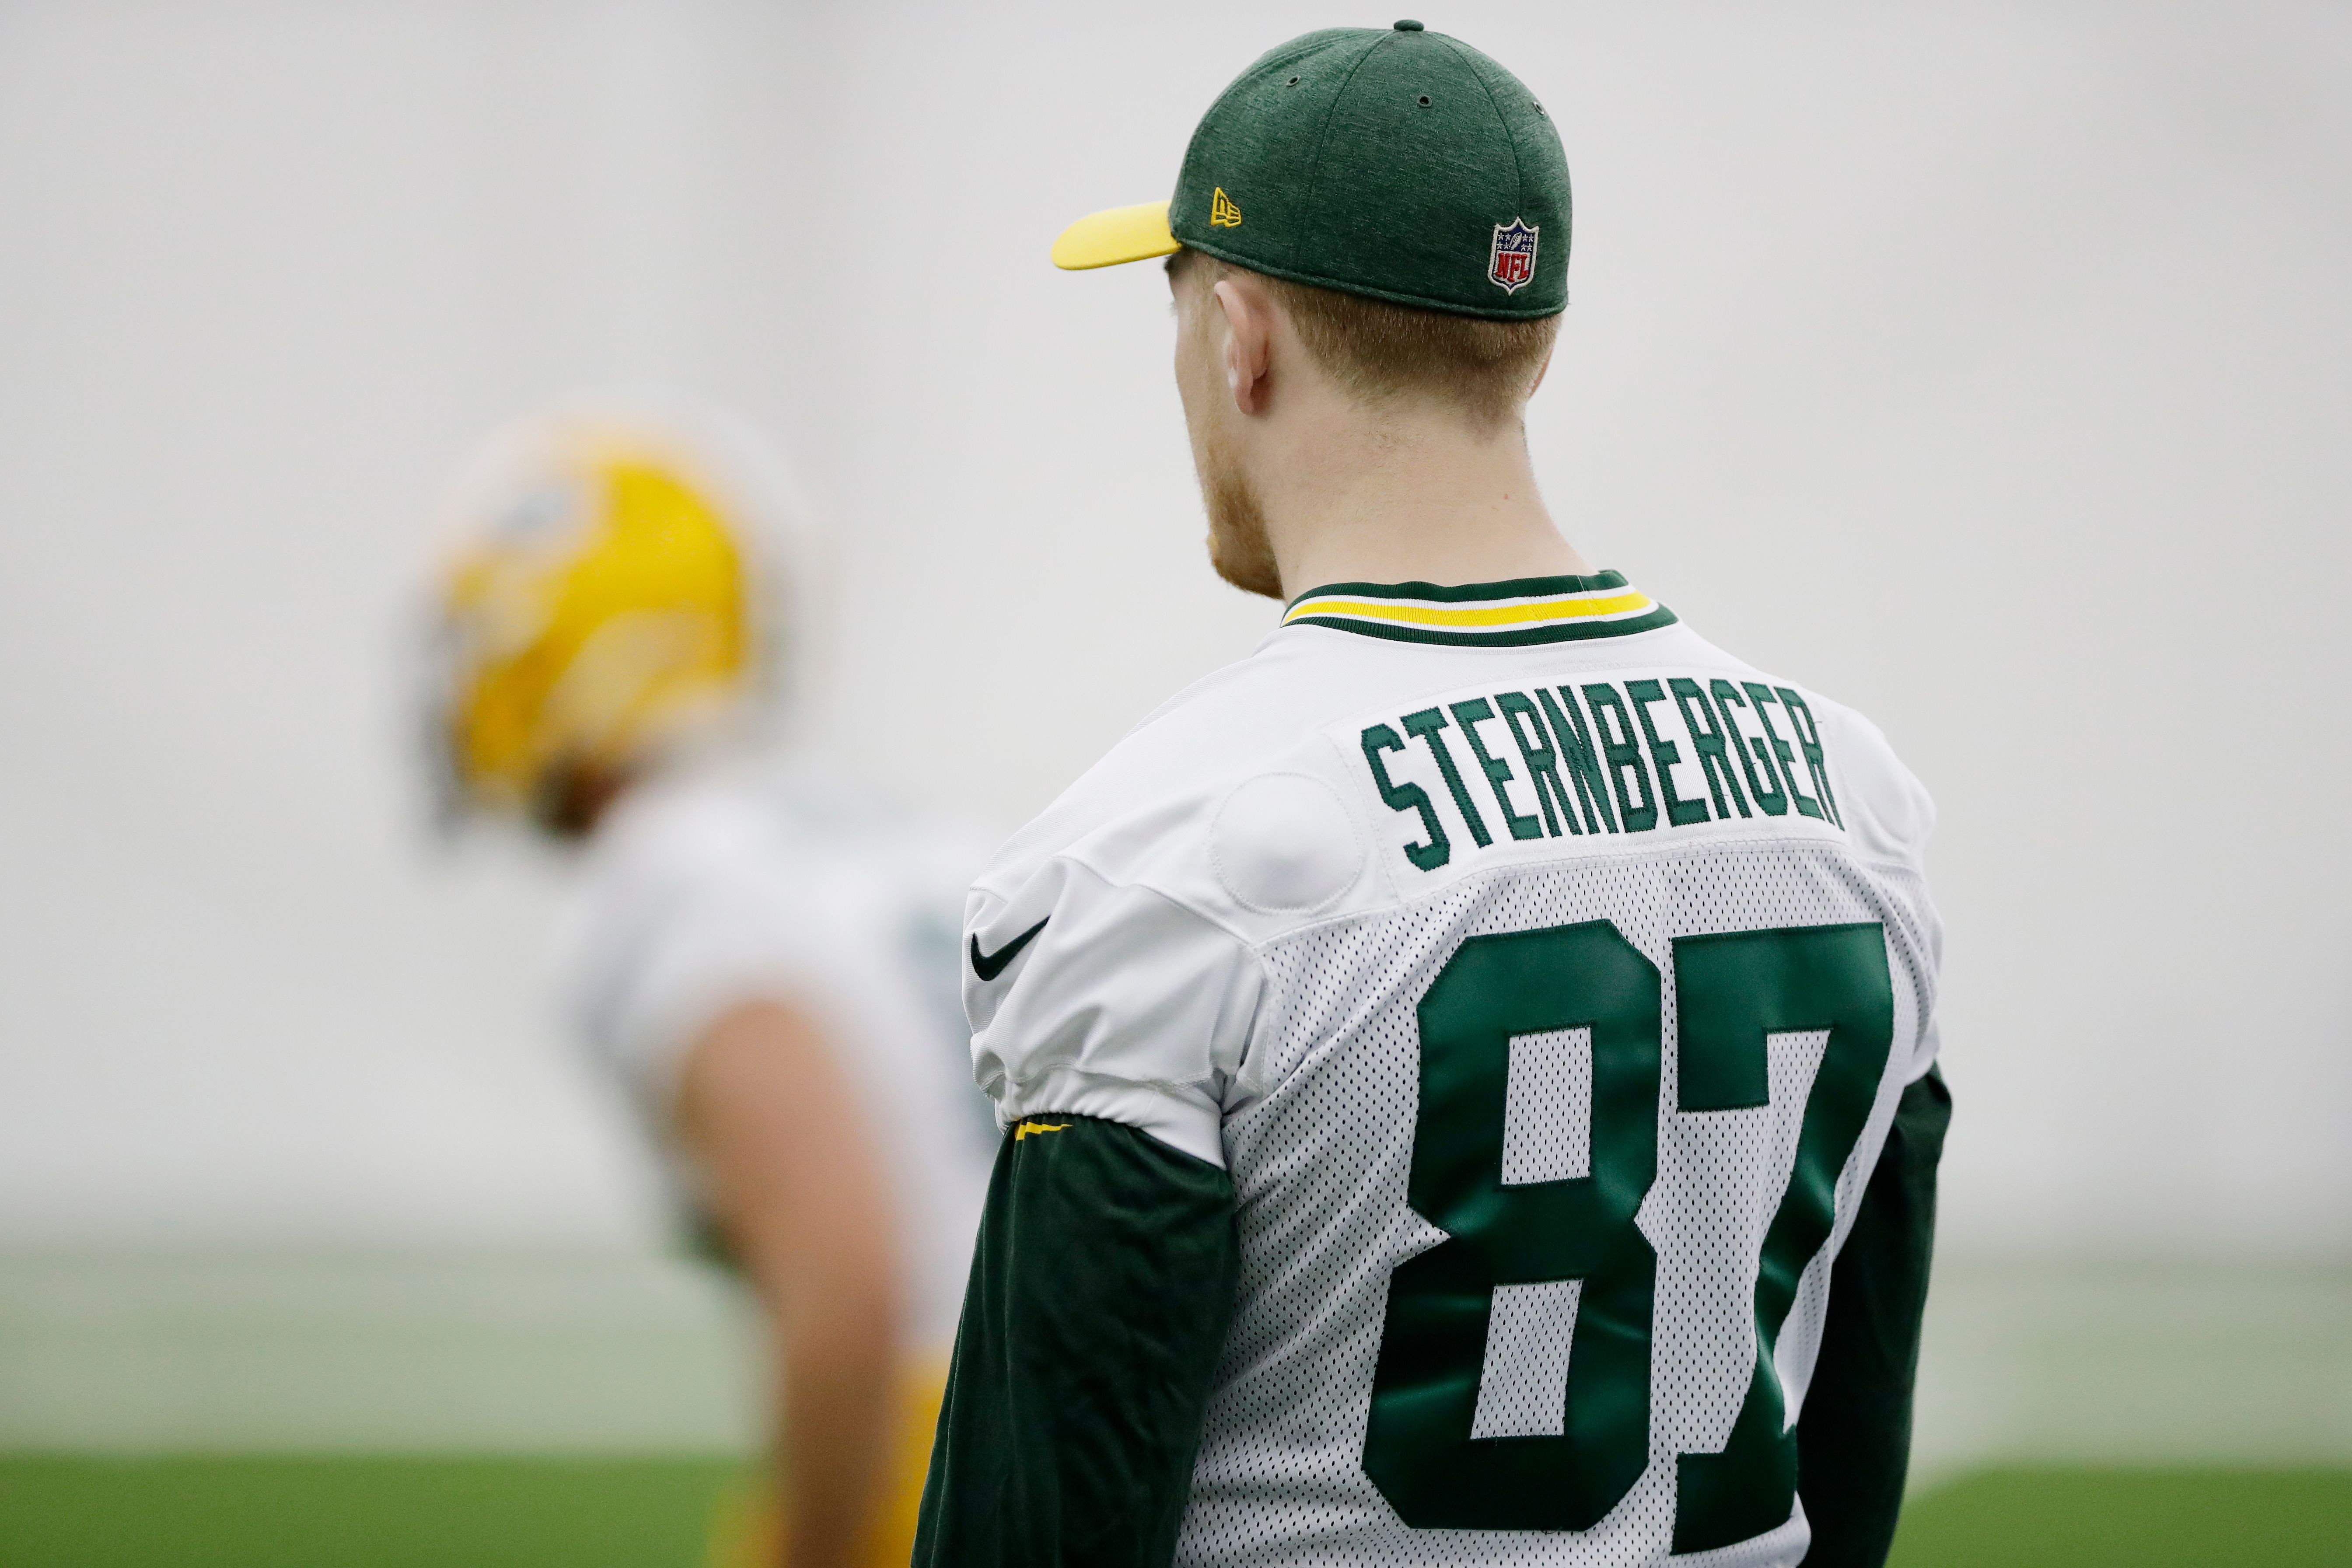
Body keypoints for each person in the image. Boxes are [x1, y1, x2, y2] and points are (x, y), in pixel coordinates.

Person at [917, 22, 1949, 1568]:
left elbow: (1041, 1524)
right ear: (1529, 341)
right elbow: (1848, 1451)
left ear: (1240, 335)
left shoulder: (1154, 860)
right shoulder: (1852, 804)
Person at [423, 399, 995, 1568]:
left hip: (953, 1452)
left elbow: (849, 1293)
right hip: (1122, 1420)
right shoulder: (894, 838)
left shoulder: (665, 885)